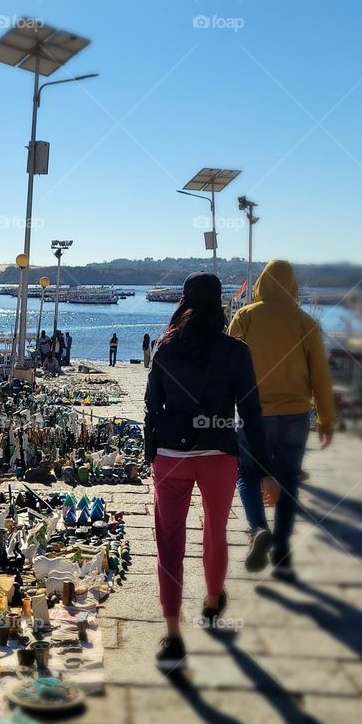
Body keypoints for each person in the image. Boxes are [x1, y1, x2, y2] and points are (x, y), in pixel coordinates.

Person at [145, 273, 274, 670]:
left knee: (169, 539)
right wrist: (266, 470)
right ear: (220, 304)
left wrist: (154, 454)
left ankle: (172, 633)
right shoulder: (237, 351)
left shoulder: (166, 348)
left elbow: (152, 406)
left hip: (172, 455)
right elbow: (251, 412)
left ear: (184, 303)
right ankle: (214, 599)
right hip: (219, 453)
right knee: (214, 530)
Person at [227, 259, 336, 582]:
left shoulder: (244, 317)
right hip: (295, 414)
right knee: (288, 480)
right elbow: (321, 374)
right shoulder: (306, 323)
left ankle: (259, 529)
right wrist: (327, 418)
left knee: (247, 474)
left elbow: (230, 365)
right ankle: (283, 552)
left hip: (253, 413)